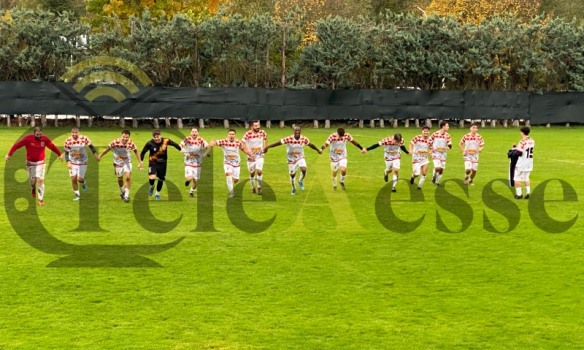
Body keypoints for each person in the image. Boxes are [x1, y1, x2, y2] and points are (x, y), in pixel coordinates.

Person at [5, 126, 63, 206]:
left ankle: (40, 199)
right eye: (37, 134)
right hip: (30, 163)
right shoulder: (28, 139)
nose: (39, 136)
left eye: (40, 134)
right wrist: (9, 154)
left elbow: (52, 146)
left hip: (41, 163)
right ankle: (33, 189)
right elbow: (16, 146)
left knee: (40, 180)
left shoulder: (44, 139)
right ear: (34, 133)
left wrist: (59, 154)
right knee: (33, 182)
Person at [264, 126, 322, 195]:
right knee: (292, 175)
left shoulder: (303, 139)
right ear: (293, 131)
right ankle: (293, 187)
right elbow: (278, 143)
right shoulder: (289, 138)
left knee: (304, 169)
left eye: (298, 130)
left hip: (300, 157)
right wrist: (268, 146)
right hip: (291, 159)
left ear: (300, 131)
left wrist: (318, 150)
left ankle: (300, 180)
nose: (297, 132)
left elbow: (311, 145)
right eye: (296, 130)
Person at [204, 129, 254, 198]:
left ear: (235, 135)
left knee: (236, 180)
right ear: (228, 135)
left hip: (236, 162)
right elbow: (214, 141)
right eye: (230, 134)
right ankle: (231, 192)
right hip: (227, 162)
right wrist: (211, 144)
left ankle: (232, 182)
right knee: (228, 174)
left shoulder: (238, 142)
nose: (231, 136)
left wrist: (250, 155)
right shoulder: (224, 141)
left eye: (233, 134)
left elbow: (244, 150)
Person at [97, 129, 143, 203]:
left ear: (129, 137)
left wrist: (140, 162)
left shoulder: (131, 143)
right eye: (123, 137)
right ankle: (123, 192)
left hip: (127, 162)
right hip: (117, 163)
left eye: (127, 137)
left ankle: (126, 196)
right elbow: (107, 149)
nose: (125, 139)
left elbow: (136, 151)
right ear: (121, 135)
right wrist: (100, 155)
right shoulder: (115, 142)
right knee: (120, 179)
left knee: (128, 177)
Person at [140, 129, 182, 200]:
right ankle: (152, 186)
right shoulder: (149, 143)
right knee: (152, 177)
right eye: (155, 137)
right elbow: (143, 152)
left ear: (160, 135)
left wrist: (181, 149)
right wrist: (141, 162)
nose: (156, 138)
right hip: (153, 162)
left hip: (162, 163)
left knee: (161, 179)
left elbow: (174, 144)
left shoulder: (166, 141)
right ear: (153, 137)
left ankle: (157, 193)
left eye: (158, 136)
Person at [63, 127, 99, 200]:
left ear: (79, 133)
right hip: (72, 162)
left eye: (76, 133)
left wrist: (95, 155)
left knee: (79, 179)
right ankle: (77, 194)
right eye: (73, 133)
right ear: (71, 133)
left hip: (83, 161)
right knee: (73, 178)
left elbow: (91, 146)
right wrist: (68, 162)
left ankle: (83, 182)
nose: (74, 134)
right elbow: (66, 152)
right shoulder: (68, 140)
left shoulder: (84, 138)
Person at [179, 127, 209, 197]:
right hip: (188, 161)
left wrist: (205, 153)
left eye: (195, 132)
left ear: (198, 133)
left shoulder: (201, 140)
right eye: (193, 132)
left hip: (198, 163)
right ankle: (188, 180)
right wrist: (184, 151)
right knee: (190, 177)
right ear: (190, 133)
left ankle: (191, 192)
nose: (194, 133)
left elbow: (207, 146)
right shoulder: (187, 139)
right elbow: (180, 145)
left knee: (196, 181)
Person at [242, 120, 268, 195]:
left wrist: (266, 147)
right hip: (251, 157)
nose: (258, 127)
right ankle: (253, 187)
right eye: (256, 126)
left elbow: (266, 138)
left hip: (260, 155)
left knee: (259, 171)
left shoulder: (262, 132)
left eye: (258, 125)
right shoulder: (248, 134)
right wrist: (247, 152)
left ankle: (259, 187)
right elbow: (243, 143)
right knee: (252, 173)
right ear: (252, 127)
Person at [511, 126, 535, 199]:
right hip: (529, 162)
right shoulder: (532, 141)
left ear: (522, 133)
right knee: (526, 178)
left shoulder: (522, 142)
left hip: (522, 163)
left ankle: (519, 194)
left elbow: (519, 153)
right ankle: (528, 192)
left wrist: (514, 148)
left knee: (516, 178)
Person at [428, 121, 452, 186]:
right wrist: (430, 150)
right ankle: (434, 176)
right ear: (443, 126)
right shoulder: (435, 134)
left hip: (443, 154)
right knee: (437, 168)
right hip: (435, 153)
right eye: (447, 126)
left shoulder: (447, 135)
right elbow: (429, 142)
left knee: (441, 170)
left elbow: (450, 144)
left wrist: (448, 147)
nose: (448, 127)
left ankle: (437, 181)